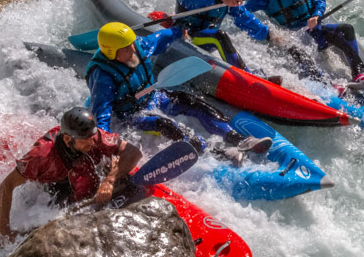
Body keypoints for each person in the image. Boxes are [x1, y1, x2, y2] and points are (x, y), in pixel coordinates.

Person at [86, 21, 272, 166]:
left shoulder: (138, 46)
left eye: (132, 44)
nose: (133, 49)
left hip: (153, 97)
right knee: (167, 125)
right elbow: (101, 113)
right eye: (126, 48)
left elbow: (160, 37)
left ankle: (238, 139)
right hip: (131, 114)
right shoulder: (103, 76)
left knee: (193, 102)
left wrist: (179, 30)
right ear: (112, 53)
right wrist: (109, 147)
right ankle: (217, 152)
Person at [0, 107, 143, 242]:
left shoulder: (95, 136)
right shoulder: (41, 156)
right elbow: (6, 185)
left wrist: (109, 181)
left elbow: (134, 152)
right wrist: (4, 231)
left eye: (92, 136)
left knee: (111, 165)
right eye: (85, 139)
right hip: (55, 190)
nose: (92, 142)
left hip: (83, 175)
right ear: (68, 139)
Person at [175, 0, 283, 85]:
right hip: (188, 35)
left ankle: (246, 73)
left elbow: (241, 14)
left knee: (219, 35)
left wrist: (267, 34)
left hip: (205, 37)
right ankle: (247, 79)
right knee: (220, 36)